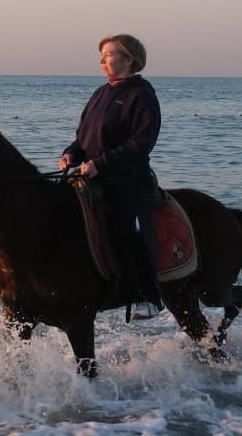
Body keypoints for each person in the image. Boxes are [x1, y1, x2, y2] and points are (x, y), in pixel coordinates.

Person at [59, 33, 164, 320]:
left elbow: (141, 143)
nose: (102, 61)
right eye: (102, 55)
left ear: (128, 59)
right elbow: (82, 139)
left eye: (109, 55)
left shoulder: (142, 95)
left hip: (127, 181)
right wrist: (71, 154)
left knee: (124, 230)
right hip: (90, 177)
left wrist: (101, 165)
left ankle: (149, 296)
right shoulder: (100, 93)